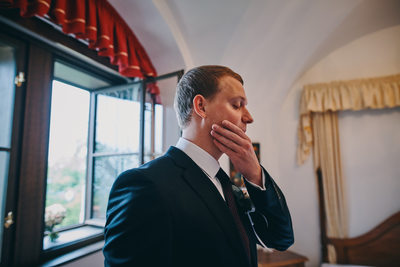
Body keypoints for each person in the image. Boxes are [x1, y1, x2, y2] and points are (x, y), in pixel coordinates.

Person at [103, 65, 294, 267]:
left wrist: (255, 175)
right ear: (201, 106)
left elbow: (279, 239)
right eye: (237, 105)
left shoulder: (228, 185)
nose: (249, 117)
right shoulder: (143, 184)